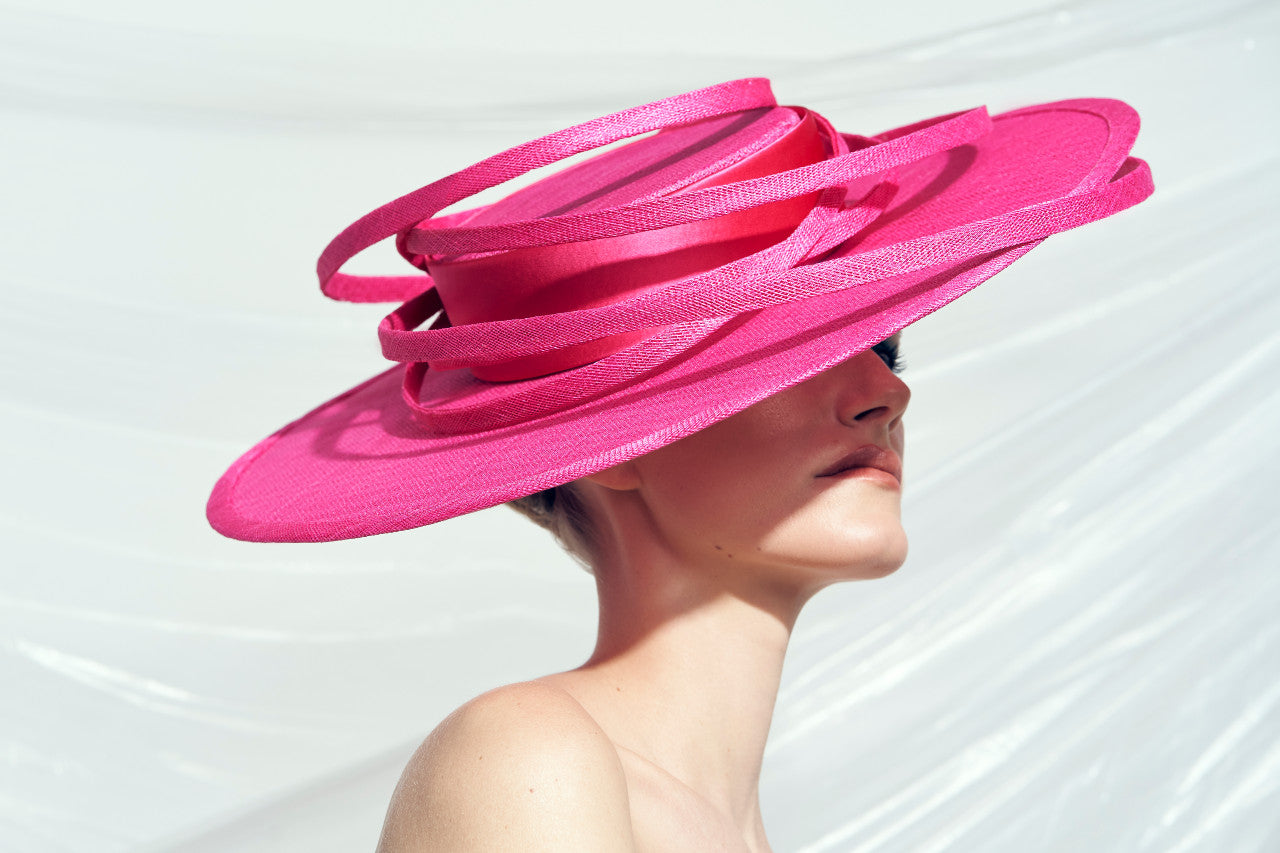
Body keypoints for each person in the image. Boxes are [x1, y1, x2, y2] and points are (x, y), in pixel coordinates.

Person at [206, 79, 1152, 851]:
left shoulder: (704, 820)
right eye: (805, 352)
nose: (886, 395)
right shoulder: (533, 761)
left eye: (886, 346)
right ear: (622, 440)